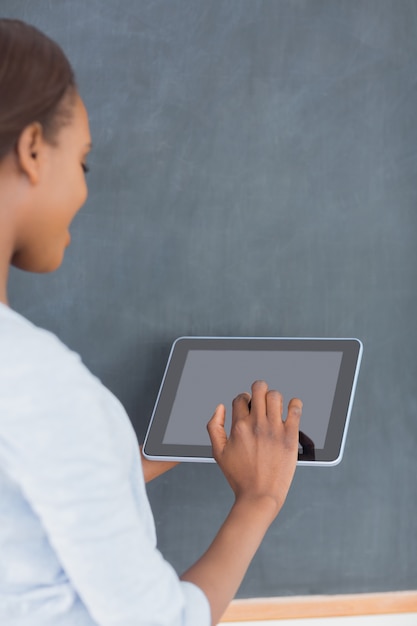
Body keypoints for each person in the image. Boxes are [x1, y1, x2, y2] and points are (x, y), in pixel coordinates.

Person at [0, 18, 303, 626]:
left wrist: (125, 456)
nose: (83, 191)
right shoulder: (37, 381)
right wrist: (260, 497)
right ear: (34, 150)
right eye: (82, 162)